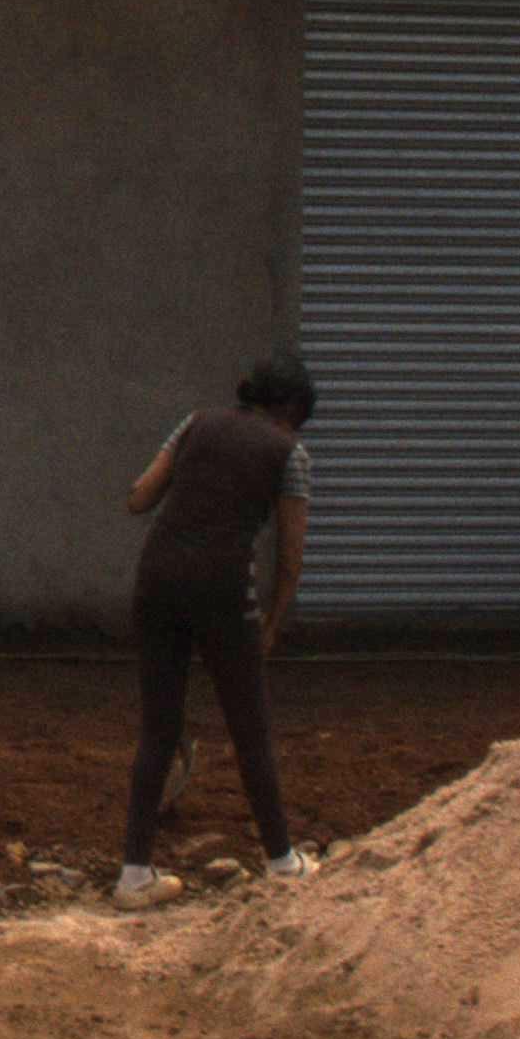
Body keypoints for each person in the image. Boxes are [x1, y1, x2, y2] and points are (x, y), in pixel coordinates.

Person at [110, 352, 320, 910]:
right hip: (223, 591)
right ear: (292, 410)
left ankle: (134, 876)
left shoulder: (196, 423)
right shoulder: (290, 454)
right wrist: (272, 623)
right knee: (250, 728)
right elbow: (291, 556)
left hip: (157, 579)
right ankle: (282, 862)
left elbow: (139, 497)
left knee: (159, 730)